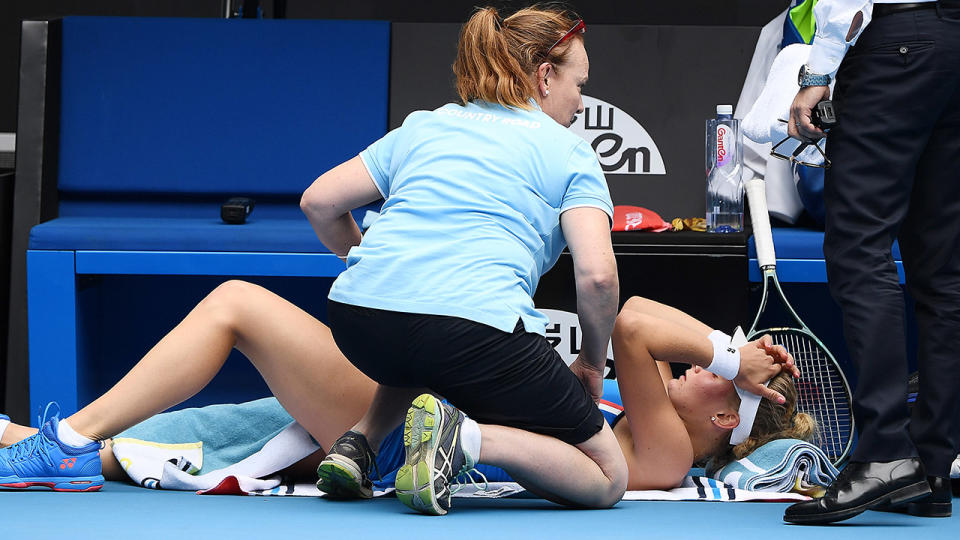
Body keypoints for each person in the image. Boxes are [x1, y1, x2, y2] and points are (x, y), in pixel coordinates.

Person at [300, 5, 792, 516]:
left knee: (428, 337)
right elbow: (601, 278)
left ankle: (360, 445)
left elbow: (317, 203)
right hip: (466, 332)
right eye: (579, 84)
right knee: (608, 481)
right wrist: (602, 361)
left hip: (359, 323)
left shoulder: (428, 123)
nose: (581, 102)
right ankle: (460, 440)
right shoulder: (570, 153)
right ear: (544, 76)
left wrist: (368, 262)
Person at [0, 286, 806, 497]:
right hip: (388, 424)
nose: (694, 365)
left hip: (397, 439)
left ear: (728, 414)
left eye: (710, 379)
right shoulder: (618, 423)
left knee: (238, 306)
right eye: (706, 363)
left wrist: (734, 358)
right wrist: (733, 362)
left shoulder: (661, 457)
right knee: (200, 441)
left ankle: (57, 441)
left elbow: (633, 322)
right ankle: (35, 446)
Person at [784, 0, 960, 525]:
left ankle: (884, 452)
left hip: (896, 46)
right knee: (944, 273)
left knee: (859, 251)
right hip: (951, 47)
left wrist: (817, 74)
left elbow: (844, 5)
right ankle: (930, 470)